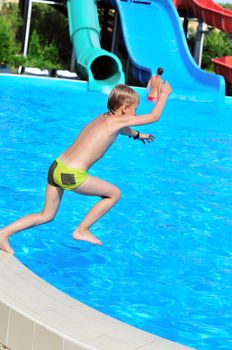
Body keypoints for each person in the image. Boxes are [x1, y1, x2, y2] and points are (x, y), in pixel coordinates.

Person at [0, 82, 172, 254]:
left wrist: (138, 135)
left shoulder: (103, 117)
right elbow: (154, 117)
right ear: (124, 107)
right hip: (70, 174)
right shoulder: (117, 122)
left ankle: (3, 233)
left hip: (56, 167)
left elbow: (124, 129)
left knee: (46, 215)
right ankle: (82, 229)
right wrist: (163, 94)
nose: (136, 112)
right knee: (114, 194)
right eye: (135, 108)